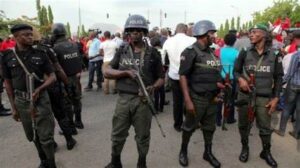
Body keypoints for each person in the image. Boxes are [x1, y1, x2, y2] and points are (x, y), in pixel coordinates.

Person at [104, 14, 164, 168]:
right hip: (123, 99)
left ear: (144, 32)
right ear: (127, 33)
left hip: (143, 101)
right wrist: (124, 73)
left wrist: (153, 87)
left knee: (143, 136)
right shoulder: (122, 50)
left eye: (139, 30)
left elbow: (161, 78)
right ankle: (115, 161)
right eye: (132, 30)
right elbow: (107, 71)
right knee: (117, 134)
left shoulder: (153, 53)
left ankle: (141, 163)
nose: (135, 33)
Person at [1, 24, 57, 167]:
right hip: (21, 101)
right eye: (26, 35)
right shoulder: (7, 56)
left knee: (46, 136)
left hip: (40, 99)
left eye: (31, 34)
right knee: (32, 135)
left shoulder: (40, 53)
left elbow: (52, 76)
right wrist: (13, 108)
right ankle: (43, 160)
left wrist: (41, 88)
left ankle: (51, 163)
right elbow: (7, 83)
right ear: (16, 37)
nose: (30, 37)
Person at [234, 24, 283, 167]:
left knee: (265, 128)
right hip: (245, 96)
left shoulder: (275, 54)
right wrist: (241, 79)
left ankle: (266, 152)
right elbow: (236, 71)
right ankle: (245, 148)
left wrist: (276, 98)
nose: (251, 34)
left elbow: (279, 77)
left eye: (254, 32)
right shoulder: (244, 51)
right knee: (244, 125)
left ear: (264, 34)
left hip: (264, 97)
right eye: (250, 32)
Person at [178, 20, 222, 168]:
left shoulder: (211, 52)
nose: (214, 36)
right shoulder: (190, 52)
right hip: (196, 99)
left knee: (210, 128)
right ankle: (183, 151)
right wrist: (188, 100)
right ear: (203, 34)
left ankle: (207, 152)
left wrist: (219, 86)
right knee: (189, 127)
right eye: (212, 33)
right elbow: (183, 76)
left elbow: (213, 74)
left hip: (212, 99)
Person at [32, 27, 77, 150]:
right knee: (60, 114)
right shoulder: (46, 50)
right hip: (52, 87)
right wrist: (67, 85)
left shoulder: (21, 53)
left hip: (35, 90)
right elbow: (58, 69)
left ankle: (50, 144)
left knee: (42, 119)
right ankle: (69, 140)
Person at [162, 23, 196, 132]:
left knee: (177, 101)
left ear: (176, 30)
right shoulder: (192, 40)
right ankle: (189, 122)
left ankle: (177, 124)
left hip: (174, 74)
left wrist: (167, 66)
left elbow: (164, 58)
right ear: (185, 30)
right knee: (189, 99)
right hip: (188, 75)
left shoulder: (168, 41)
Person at [51, 23, 84, 129]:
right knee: (77, 100)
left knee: (67, 104)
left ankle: (71, 126)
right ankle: (79, 121)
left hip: (63, 79)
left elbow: (56, 67)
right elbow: (79, 60)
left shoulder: (55, 48)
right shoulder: (74, 44)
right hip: (76, 77)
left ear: (54, 34)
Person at [277, 29, 300, 139]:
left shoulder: (296, 55)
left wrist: (280, 83)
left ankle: (282, 130)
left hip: (294, 85)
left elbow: (289, 73)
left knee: (287, 107)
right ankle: (296, 132)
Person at [216, 33, 239, 126]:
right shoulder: (237, 52)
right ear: (234, 42)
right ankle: (230, 118)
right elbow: (237, 67)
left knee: (219, 97)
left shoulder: (218, 51)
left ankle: (217, 119)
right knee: (230, 99)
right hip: (231, 77)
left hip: (220, 77)